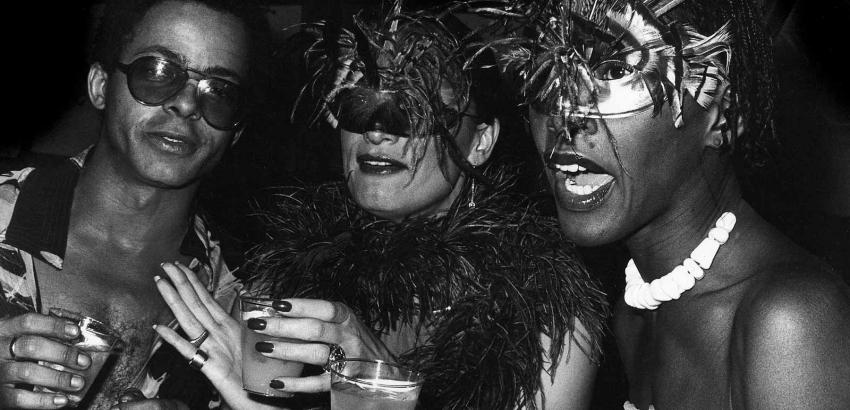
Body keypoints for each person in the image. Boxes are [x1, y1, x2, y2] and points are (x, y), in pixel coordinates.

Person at [152, 2, 610, 409]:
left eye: (412, 109)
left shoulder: (544, 316)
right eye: (359, 104)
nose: (376, 131)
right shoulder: (288, 280)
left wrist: (385, 387)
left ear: (481, 142)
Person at [476, 0, 850, 408]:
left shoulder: (788, 322)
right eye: (546, 68)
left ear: (723, 113)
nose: (564, 115)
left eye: (615, 70)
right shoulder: (635, 312)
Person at [0, 0, 271, 408]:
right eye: (158, 72)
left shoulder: (245, 301)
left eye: (219, 91)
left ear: (237, 131)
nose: (186, 104)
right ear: (100, 86)